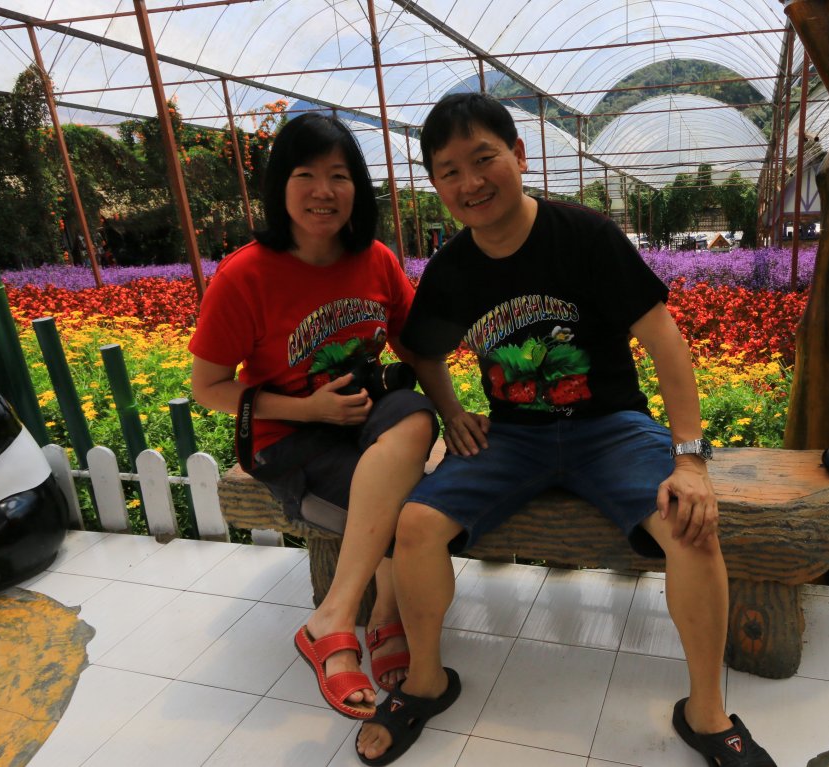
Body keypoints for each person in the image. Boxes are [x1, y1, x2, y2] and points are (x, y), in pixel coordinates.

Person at [355, 93, 777, 767]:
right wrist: (455, 410)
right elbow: (420, 348)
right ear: (435, 185)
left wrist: (691, 459)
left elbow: (665, 342)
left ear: (519, 157)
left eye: (484, 158)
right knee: (415, 525)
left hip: (610, 428)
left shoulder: (586, 236)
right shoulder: (454, 270)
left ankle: (706, 710)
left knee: (690, 523)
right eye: (449, 171)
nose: (470, 182)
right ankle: (428, 682)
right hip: (513, 436)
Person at [189, 113, 436, 721]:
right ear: (281, 185)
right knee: (411, 514)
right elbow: (209, 387)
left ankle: (361, 616)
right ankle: (361, 617)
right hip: (289, 439)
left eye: (339, 175)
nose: (324, 191)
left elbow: (413, 344)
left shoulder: (375, 259)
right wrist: (308, 407)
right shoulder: (244, 276)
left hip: (367, 420)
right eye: (306, 175)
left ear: (358, 188)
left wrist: (453, 411)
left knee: (415, 415)